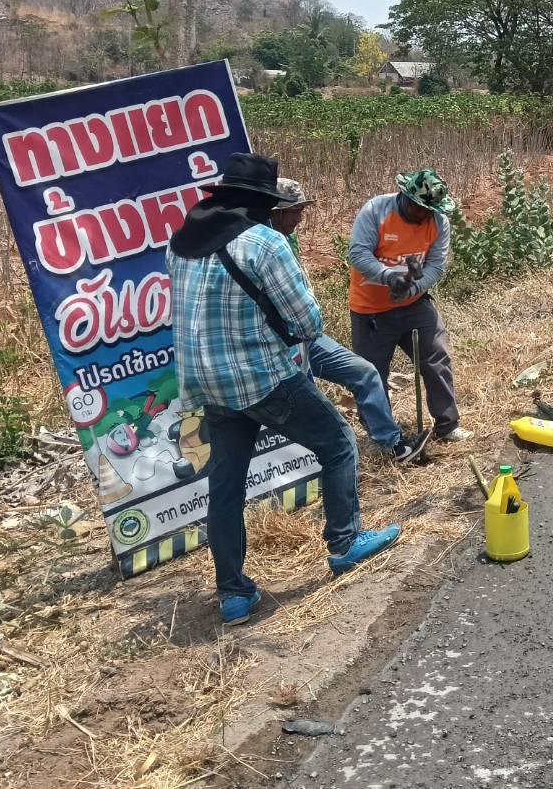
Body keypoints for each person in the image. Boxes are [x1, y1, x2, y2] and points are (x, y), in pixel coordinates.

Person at [167, 152, 402, 627]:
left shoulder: (182, 242)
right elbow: (307, 323)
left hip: (207, 385)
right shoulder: (265, 243)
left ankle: (233, 593)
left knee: (226, 486)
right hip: (259, 378)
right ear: (262, 203)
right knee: (339, 443)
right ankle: (344, 543)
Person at [270, 178, 428, 466]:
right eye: (294, 211)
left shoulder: (287, 238)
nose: (300, 218)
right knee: (311, 405)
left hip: (308, 336)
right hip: (278, 344)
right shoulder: (262, 246)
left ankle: (394, 446)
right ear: (275, 212)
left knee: (364, 373)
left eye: (302, 210)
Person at [347, 169, 469, 444]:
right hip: (371, 309)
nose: (424, 215)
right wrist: (390, 278)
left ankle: (447, 425)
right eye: (419, 207)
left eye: (430, 210)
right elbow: (358, 253)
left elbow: (435, 266)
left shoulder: (438, 221)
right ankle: (383, 437)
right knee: (371, 374)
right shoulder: (376, 210)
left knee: (436, 356)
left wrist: (412, 288)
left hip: (414, 304)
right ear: (406, 196)